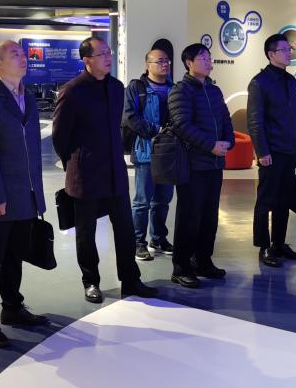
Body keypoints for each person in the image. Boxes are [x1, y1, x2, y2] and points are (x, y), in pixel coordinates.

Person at [52, 37, 157, 303]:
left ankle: (130, 280)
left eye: (109, 52)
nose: (108, 57)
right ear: (87, 60)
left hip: (114, 171)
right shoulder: (72, 90)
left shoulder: (116, 87)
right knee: (86, 232)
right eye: (101, 54)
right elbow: (59, 135)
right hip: (85, 173)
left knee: (124, 228)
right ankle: (91, 281)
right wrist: (73, 162)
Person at [0, 40, 49, 349]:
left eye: (23, 53)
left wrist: (37, 193)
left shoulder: (27, 96)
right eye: (14, 54)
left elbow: (33, 150)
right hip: (0, 196)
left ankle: (12, 306)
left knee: (16, 255)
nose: (22, 58)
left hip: (26, 194)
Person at [167, 43, 234, 287]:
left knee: (209, 216)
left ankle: (203, 261)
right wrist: (210, 145)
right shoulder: (181, 90)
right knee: (189, 217)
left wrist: (228, 141)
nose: (208, 61)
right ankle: (181, 267)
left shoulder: (214, 90)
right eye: (202, 58)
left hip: (214, 164)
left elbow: (225, 118)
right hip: (193, 164)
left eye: (209, 57)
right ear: (189, 63)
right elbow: (182, 125)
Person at [247, 33, 296, 268]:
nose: (289, 53)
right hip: (270, 151)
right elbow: (255, 121)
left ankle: (279, 244)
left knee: (284, 200)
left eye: (289, 49)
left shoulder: (291, 81)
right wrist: (262, 151)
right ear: (271, 54)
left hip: (289, 150)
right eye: (283, 50)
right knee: (266, 200)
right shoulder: (259, 82)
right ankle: (264, 246)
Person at [122, 49, 175, 261]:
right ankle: (138, 242)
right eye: (160, 61)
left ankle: (158, 238)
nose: (165, 64)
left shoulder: (174, 88)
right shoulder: (137, 87)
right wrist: (154, 130)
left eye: (167, 61)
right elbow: (129, 116)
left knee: (163, 200)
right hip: (145, 150)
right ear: (147, 65)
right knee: (142, 201)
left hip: (169, 152)